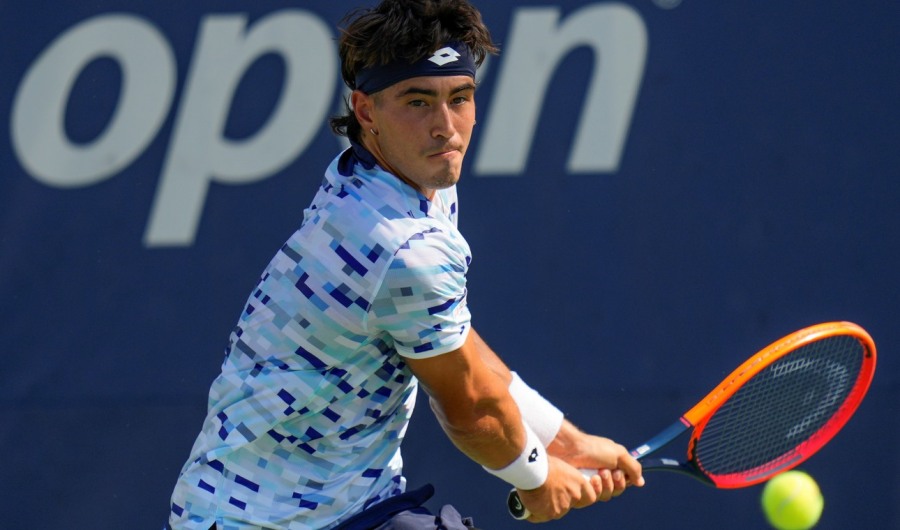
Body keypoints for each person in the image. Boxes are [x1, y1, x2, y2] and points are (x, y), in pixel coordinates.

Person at [166, 0, 643, 528]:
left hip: (348, 504)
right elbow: (469, 407)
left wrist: (565, 442)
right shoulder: (403, 248)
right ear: (366, 111)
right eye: (418, 102)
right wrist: (537, 476)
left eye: (459, 98)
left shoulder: (391, 180)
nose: (446, 127)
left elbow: (454, 342)